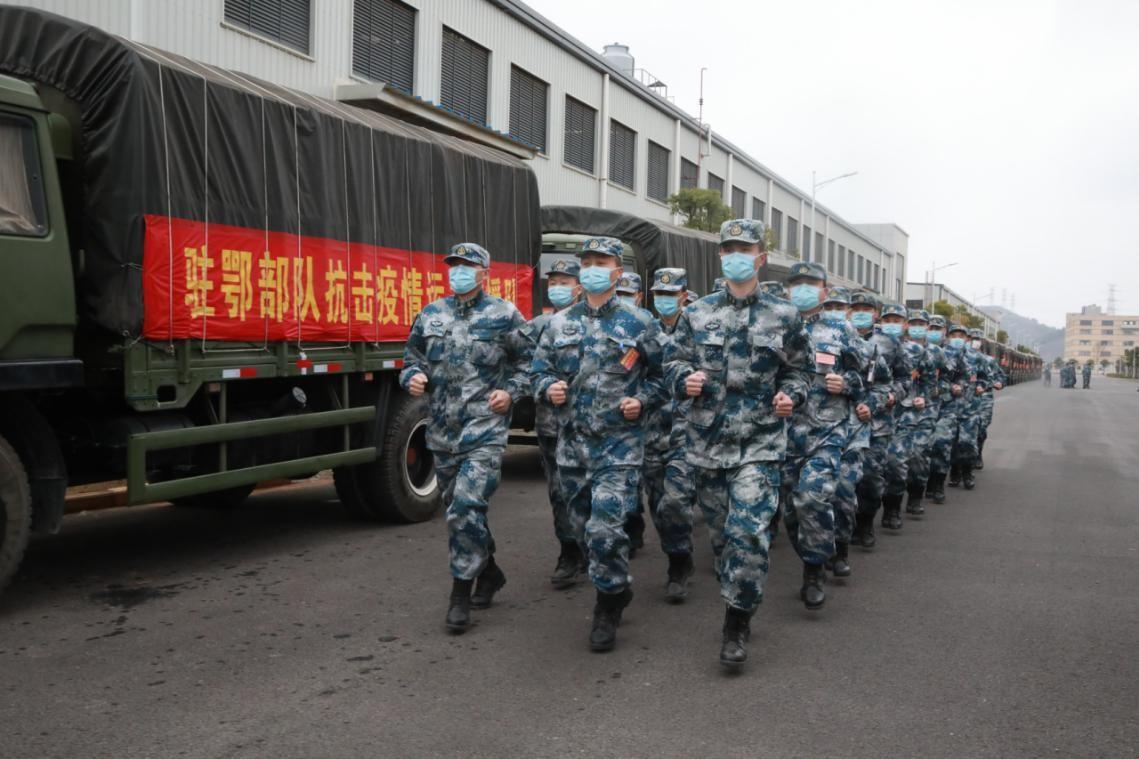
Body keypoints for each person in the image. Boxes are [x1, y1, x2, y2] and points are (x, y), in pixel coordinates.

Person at [665, 218, 811, 668]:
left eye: (744, 250)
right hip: (707, 443)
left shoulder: (784, 315)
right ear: (720, 256)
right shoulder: (696, 313)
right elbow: (673, 362)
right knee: (723, 537)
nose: (735, 256)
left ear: (760, 258)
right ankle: (735, 592)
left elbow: (800, 370)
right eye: (728, 249)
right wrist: (683, 379)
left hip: (761, 442)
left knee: (748, 533)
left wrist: (791, 395)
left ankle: (737, 621)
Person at [530, 236, 665, 652]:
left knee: (606, 528)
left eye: (601, 261)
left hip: (619, 446)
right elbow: (537, 371)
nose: (592, 268)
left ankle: (609, 600)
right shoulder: (558, 324)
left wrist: (642, 400)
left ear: (617, 271)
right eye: (586, 261)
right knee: (581, 528)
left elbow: (665, 377)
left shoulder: (640, 322)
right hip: (572, 445)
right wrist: (547, 386)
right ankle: (613, 581)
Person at [401, 242, 533, 633]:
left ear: (483, 273)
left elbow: (530, 363)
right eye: (454, 265)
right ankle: (489, 571)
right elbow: (411, 359)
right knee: (463, 514)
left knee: (465, 507)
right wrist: (413, 377)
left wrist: (511, 392)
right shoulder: (431, 314)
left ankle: (460, 593)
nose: (458, 271)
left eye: (467, 265)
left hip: (485, 429)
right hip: (443, 432)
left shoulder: (504, 315)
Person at [779, 274, 864, 610]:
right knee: (791, 510)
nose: (803, 290)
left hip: (826, 432)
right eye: (797, 284)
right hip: (782, 434)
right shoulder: (775, 325)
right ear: (787, 291)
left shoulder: (841, 330)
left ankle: (813, 570)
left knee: (812, 497)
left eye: (811, 284)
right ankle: (811, 553)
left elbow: (865, 377)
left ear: (824, 292)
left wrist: (846, 383)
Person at [640, 268, 697, 601]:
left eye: (670, 294)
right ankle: (676, 550)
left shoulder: (698, 329)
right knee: (658, 503)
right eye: (659, 294)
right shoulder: (645, 331)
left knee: (676, 500)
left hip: (687, 432)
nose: (664, 299)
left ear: (683, 296)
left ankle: (679, 562)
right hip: (651, 430)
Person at [530, 259, 584, 588]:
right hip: (551, 425)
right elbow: (524, 366)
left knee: (590, 492)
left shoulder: (595, 322)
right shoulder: (539, 325)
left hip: (592, 428)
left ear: (579, 286)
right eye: (553, 282)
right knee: (559, 493)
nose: (558, 288)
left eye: (565, 282)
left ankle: (597, 546)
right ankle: (569, 552)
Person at [831, 291, 885, 578]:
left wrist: (872, 404)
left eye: (840, 307)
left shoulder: (873, 348)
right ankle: (814, 550)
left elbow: (886, 384)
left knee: (845, 490)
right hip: (811, 430)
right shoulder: (807, 338)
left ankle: (839, 550)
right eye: (853, 308)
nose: (857, 312)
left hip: (854, 428)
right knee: (803, 500)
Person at [852, 302, 912, 548]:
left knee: (870, 476)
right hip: (837, 420)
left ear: (874, 314)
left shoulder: (888, 342)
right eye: (855, 309)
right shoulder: (833, 336)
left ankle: (865, 522)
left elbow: (904, 378)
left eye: (865, 309)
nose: (860, 314)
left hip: (877, 421)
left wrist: (893, 395)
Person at [885, 310, 938, 525]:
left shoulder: (917, 351)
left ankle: (898, 506)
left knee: (906, 460)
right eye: (887, 320)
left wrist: (923, 396)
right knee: (877, 468)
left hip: (908, 412)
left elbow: (930, 379)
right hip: (874, 413)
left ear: (904, 324)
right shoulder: (869, 344)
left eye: (896, 321)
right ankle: (867, 517)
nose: (891, 324)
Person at [924, 315, 965, 504]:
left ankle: (938, 483)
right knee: (923, 448)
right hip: (922, 406)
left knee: (941, 444)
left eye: (937, 329)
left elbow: (963, 376)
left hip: (946, 405)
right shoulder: (916, 350)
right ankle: (923, 483)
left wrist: (958, 386)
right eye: (931, 328)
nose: (934, 332)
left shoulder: (954, 353)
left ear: (944, 332)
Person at [946, 325, 993, 490]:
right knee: (951, 443)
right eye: (954, 335)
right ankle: (954, 472)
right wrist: (950, 386)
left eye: (961, 335)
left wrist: (981, 386)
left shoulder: (976, 357)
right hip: (948, 408)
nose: (957, 338)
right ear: (948, 337)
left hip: (970, 408)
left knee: (967, 443)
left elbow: (985, 377)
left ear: (967, 338)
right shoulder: (942, 355)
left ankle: (967, 472)